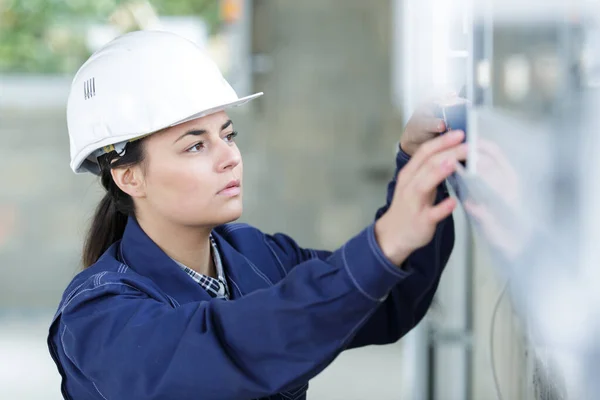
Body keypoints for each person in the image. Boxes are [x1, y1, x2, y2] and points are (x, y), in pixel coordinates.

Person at [47, 30, 467, 400]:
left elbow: (387, 299)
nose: (229, 157)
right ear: (130, 178)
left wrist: (419, 162)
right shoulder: (96, 318)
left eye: (228, 135)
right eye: (196, 145)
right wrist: (376, 248)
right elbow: (228, 345)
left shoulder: (257, 256)